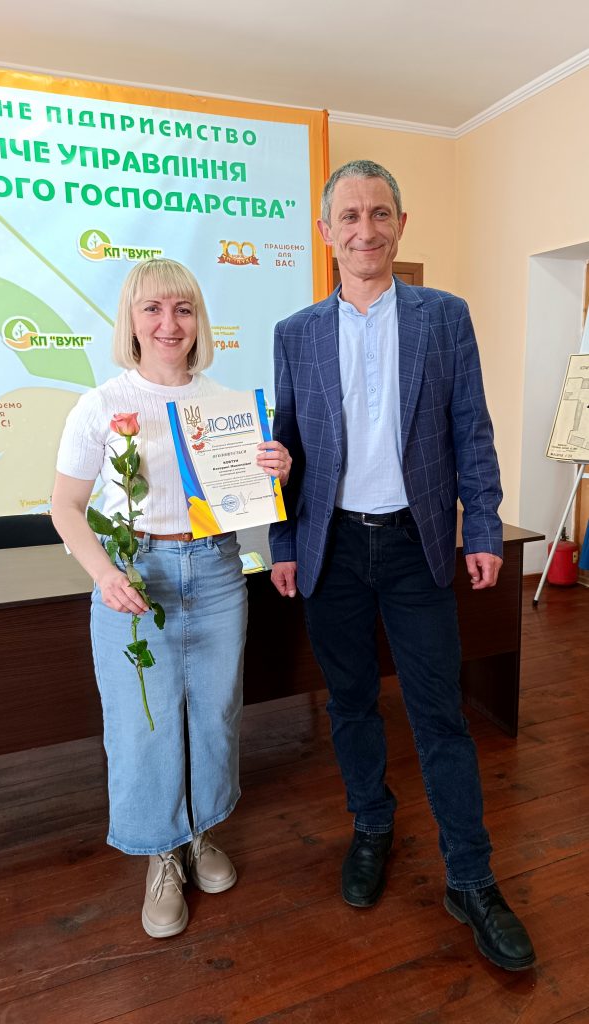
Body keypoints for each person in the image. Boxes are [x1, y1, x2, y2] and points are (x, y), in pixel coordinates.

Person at [269, 160, 535, 972]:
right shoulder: (295, 333)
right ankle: (371, 823)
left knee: (438, 714)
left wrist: (480, 525)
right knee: (350, 703)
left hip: (417, 547)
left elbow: (471, 430)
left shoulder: (443, 317)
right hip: (332, 548)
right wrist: (284, 544)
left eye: (379, 213)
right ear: (326, 232)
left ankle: (470, 878)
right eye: (349, 216)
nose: (365, 229)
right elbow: (285, 447)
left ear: (400, 224)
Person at [52, 258, 290, 940]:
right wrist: (105, 574)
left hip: (216, 571)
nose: (168, 323)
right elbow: (65, 507)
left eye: (182, 309)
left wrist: (275, 471)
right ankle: (161, 851)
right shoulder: (100, 405)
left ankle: (200, 830)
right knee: (143, 725)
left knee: (215, 714)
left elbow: (245, 501)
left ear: (198, 320)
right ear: (131, 320)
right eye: (152, 309)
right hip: (135, 576)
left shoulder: (225, 405)